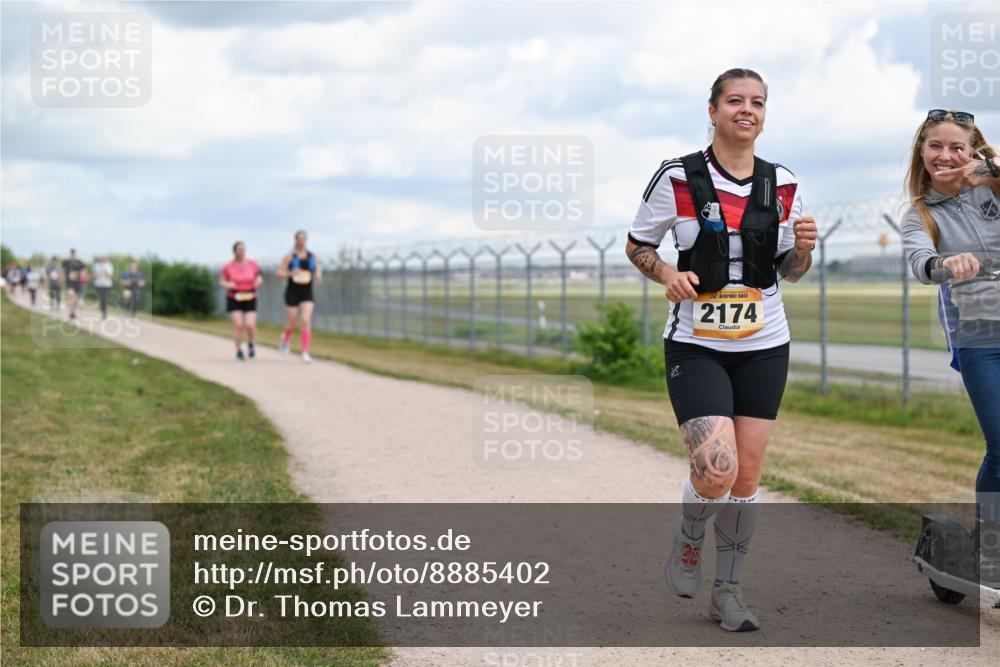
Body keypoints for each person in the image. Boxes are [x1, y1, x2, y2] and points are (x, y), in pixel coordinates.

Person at [625, 68, 816, 632]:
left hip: (764, 343)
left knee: (748, 475)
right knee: (716, 470)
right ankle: (689, 537)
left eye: (757, 102)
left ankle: (728, 592)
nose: (747, 110)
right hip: (696, 344)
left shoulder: (783, 182)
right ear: (713, 110)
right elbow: (639, 244)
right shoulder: (676, 177)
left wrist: (804, 250)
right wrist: (665, 272)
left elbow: (790, 271)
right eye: (735, 100)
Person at [901, 109, 1000, 584]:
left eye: (956, 146)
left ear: (973, 148)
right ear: (922, 153)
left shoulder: (992, 188)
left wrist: (982, 170)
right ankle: (991, 550)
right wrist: (947, 263)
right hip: (981, 337)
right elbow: (921, 262)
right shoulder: (921, 213)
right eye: (935, 146)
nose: (945, 156)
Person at [277, 230, 322, 363]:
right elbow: (279, 273)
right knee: (292, 322)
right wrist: (291, 273)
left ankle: (305, 352)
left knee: (305, 320)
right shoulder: (290, 256)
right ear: (295, 240)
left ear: (306, 240)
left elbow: (317, 269)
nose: (301, 240)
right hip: (292, 292)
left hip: (307, 292)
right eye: (299, 238)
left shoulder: (312, 255)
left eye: (304, 238)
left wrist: (318, 274)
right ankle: (285, 338)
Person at [220, 241, 262, 361]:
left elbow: (259, 276)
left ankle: (251, 343)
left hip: (250, 295)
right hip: (234, 296)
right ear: (234, 251)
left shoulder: (252, 264)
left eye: (243, 249)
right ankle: (238, 350)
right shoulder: (228, 266)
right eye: (239, 249)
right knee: (238, 325)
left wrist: (258, 281)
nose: (241, 251)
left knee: (250, 324)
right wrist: (228, 284)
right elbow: (222, 281)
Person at [63, 249, 85, 319]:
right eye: (71, 254)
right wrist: (62, 279)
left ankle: (73, 312)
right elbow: (62, 270)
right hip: (69, 282)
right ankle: (70, 312)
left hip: (77, 282)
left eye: (74, 254)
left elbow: (83, 271)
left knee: (75, 299)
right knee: (70, 295)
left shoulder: (79, 262)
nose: (72, 255)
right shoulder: (66, 262)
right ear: (70, 254)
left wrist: (83, 280)